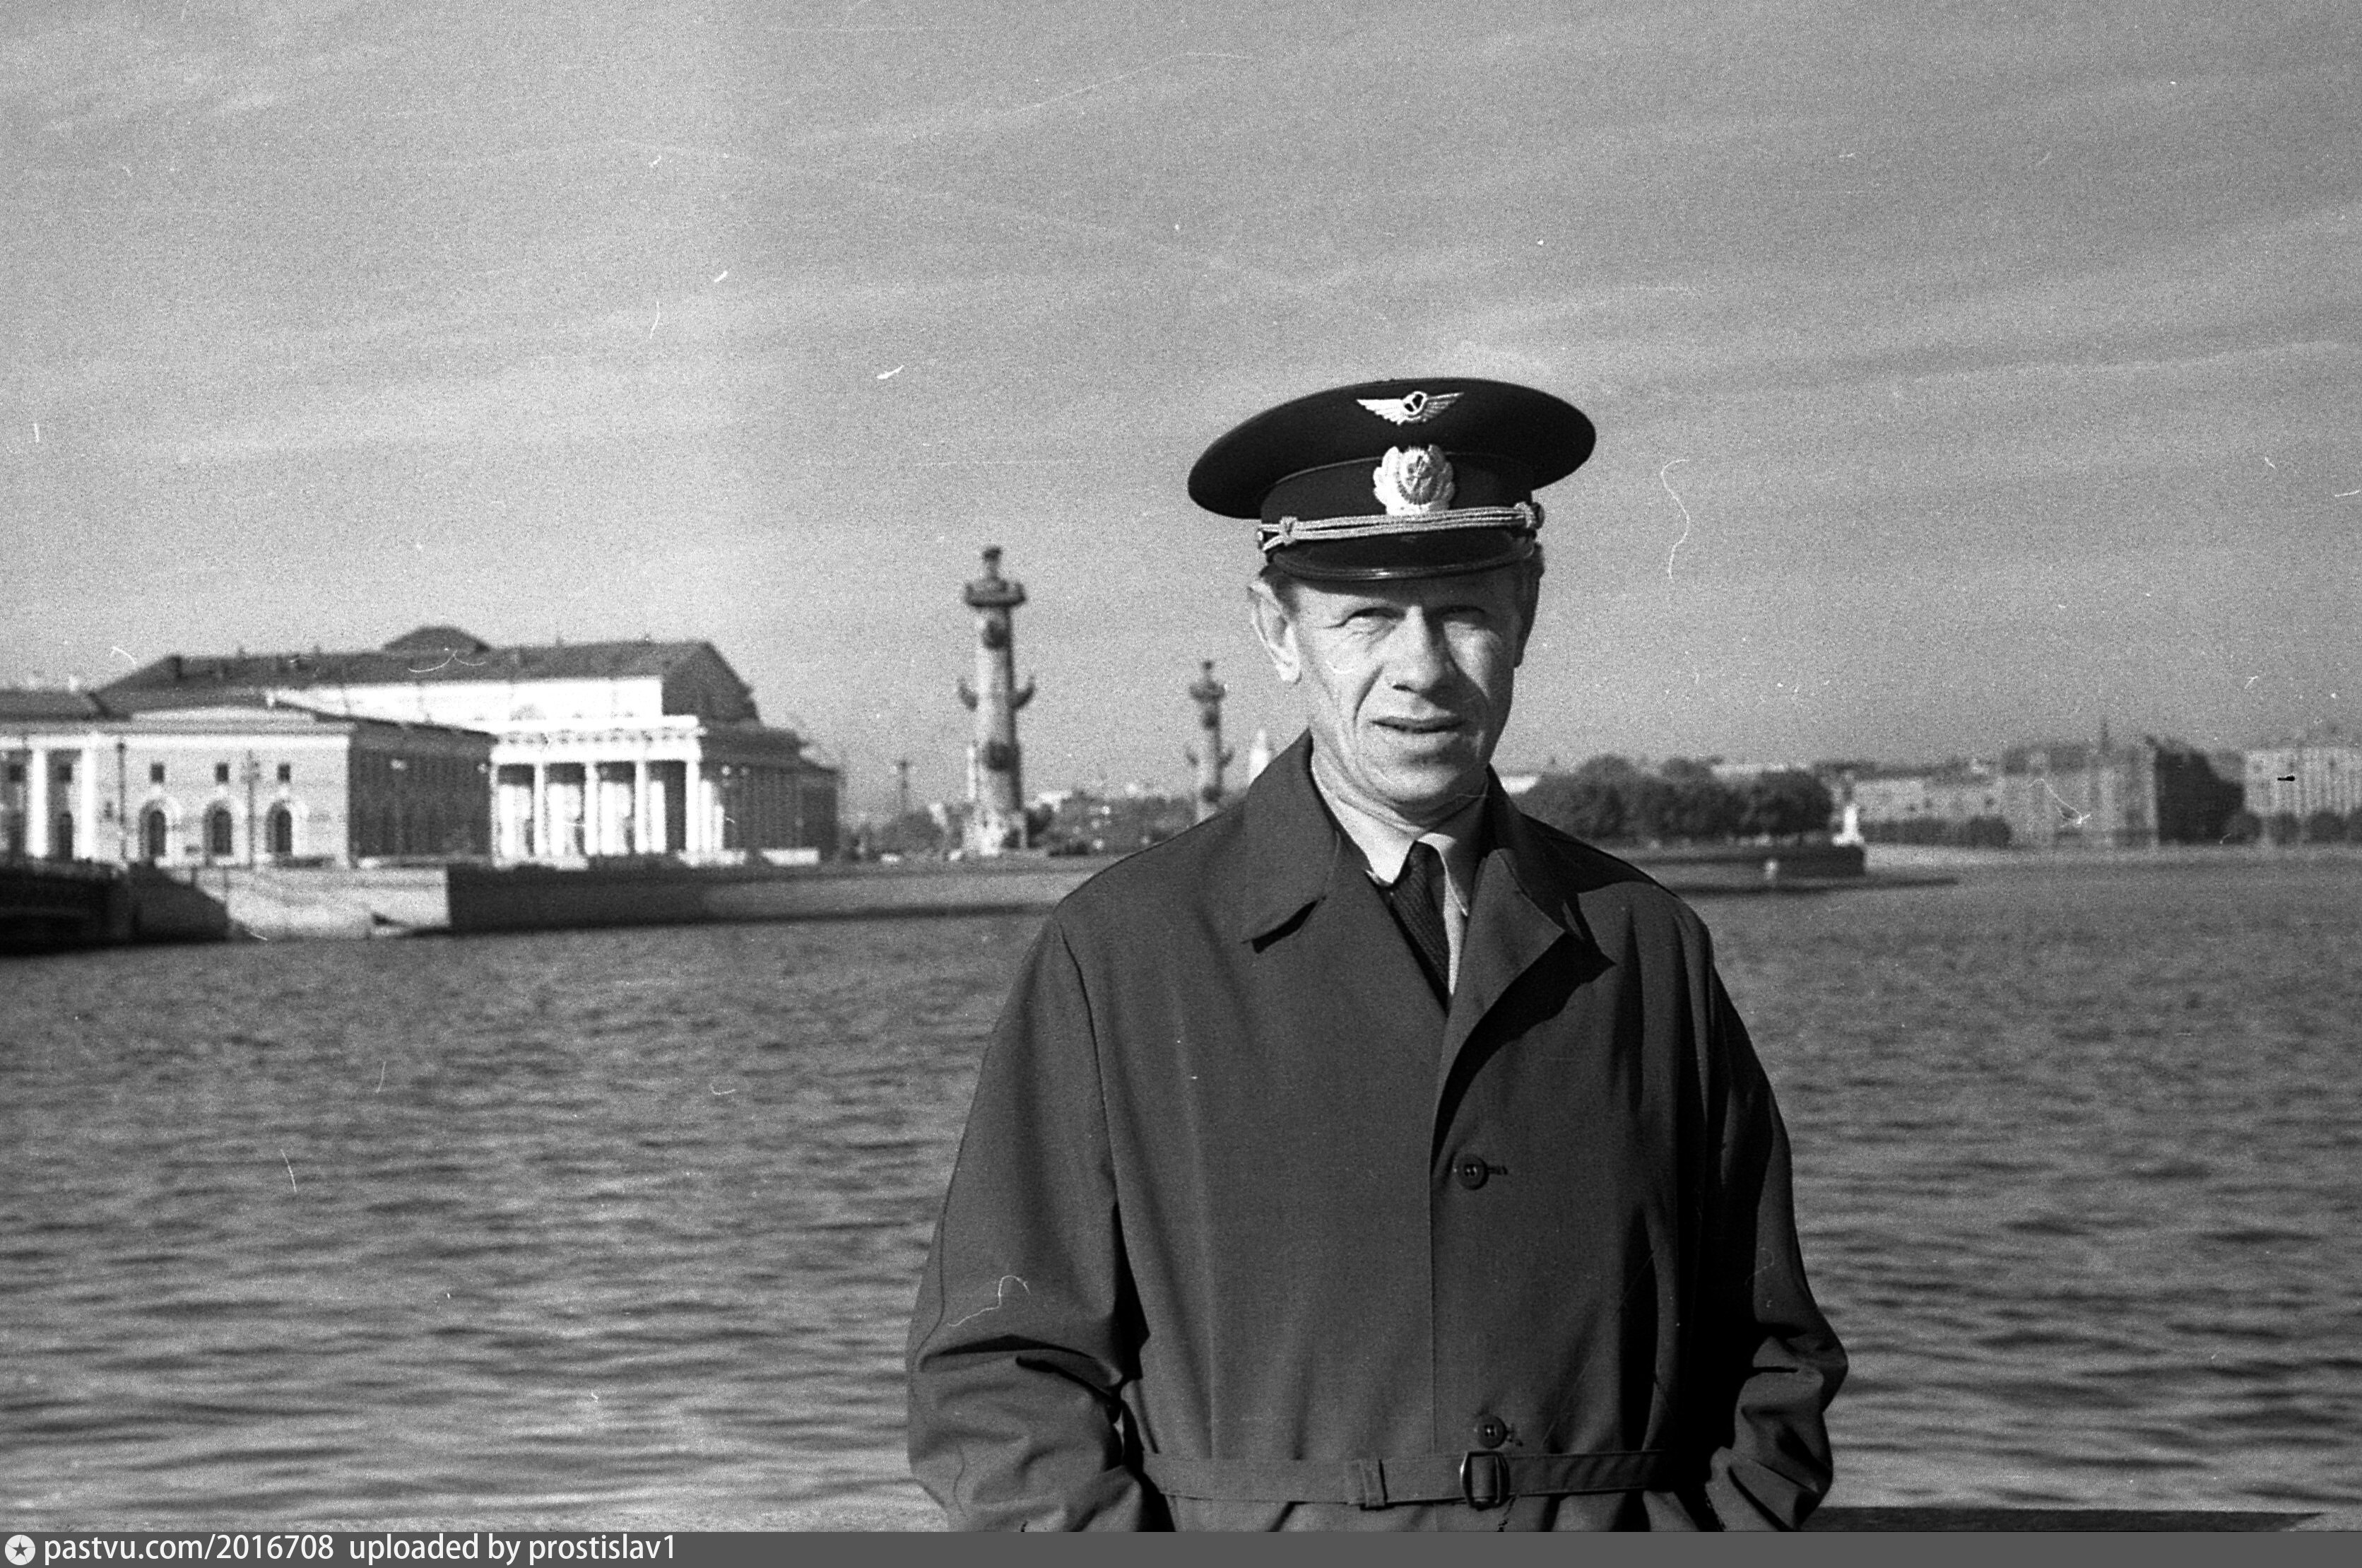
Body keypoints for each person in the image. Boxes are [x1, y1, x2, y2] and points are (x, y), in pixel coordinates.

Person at [906, 377, 1846, 1531]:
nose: (1423, 668)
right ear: (1277, 630)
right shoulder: (1120, 953)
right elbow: (997, 1385)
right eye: (1364, 618)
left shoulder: (1645, 944)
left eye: (1463, 612)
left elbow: (1770, 1354)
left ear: (1525, 612)